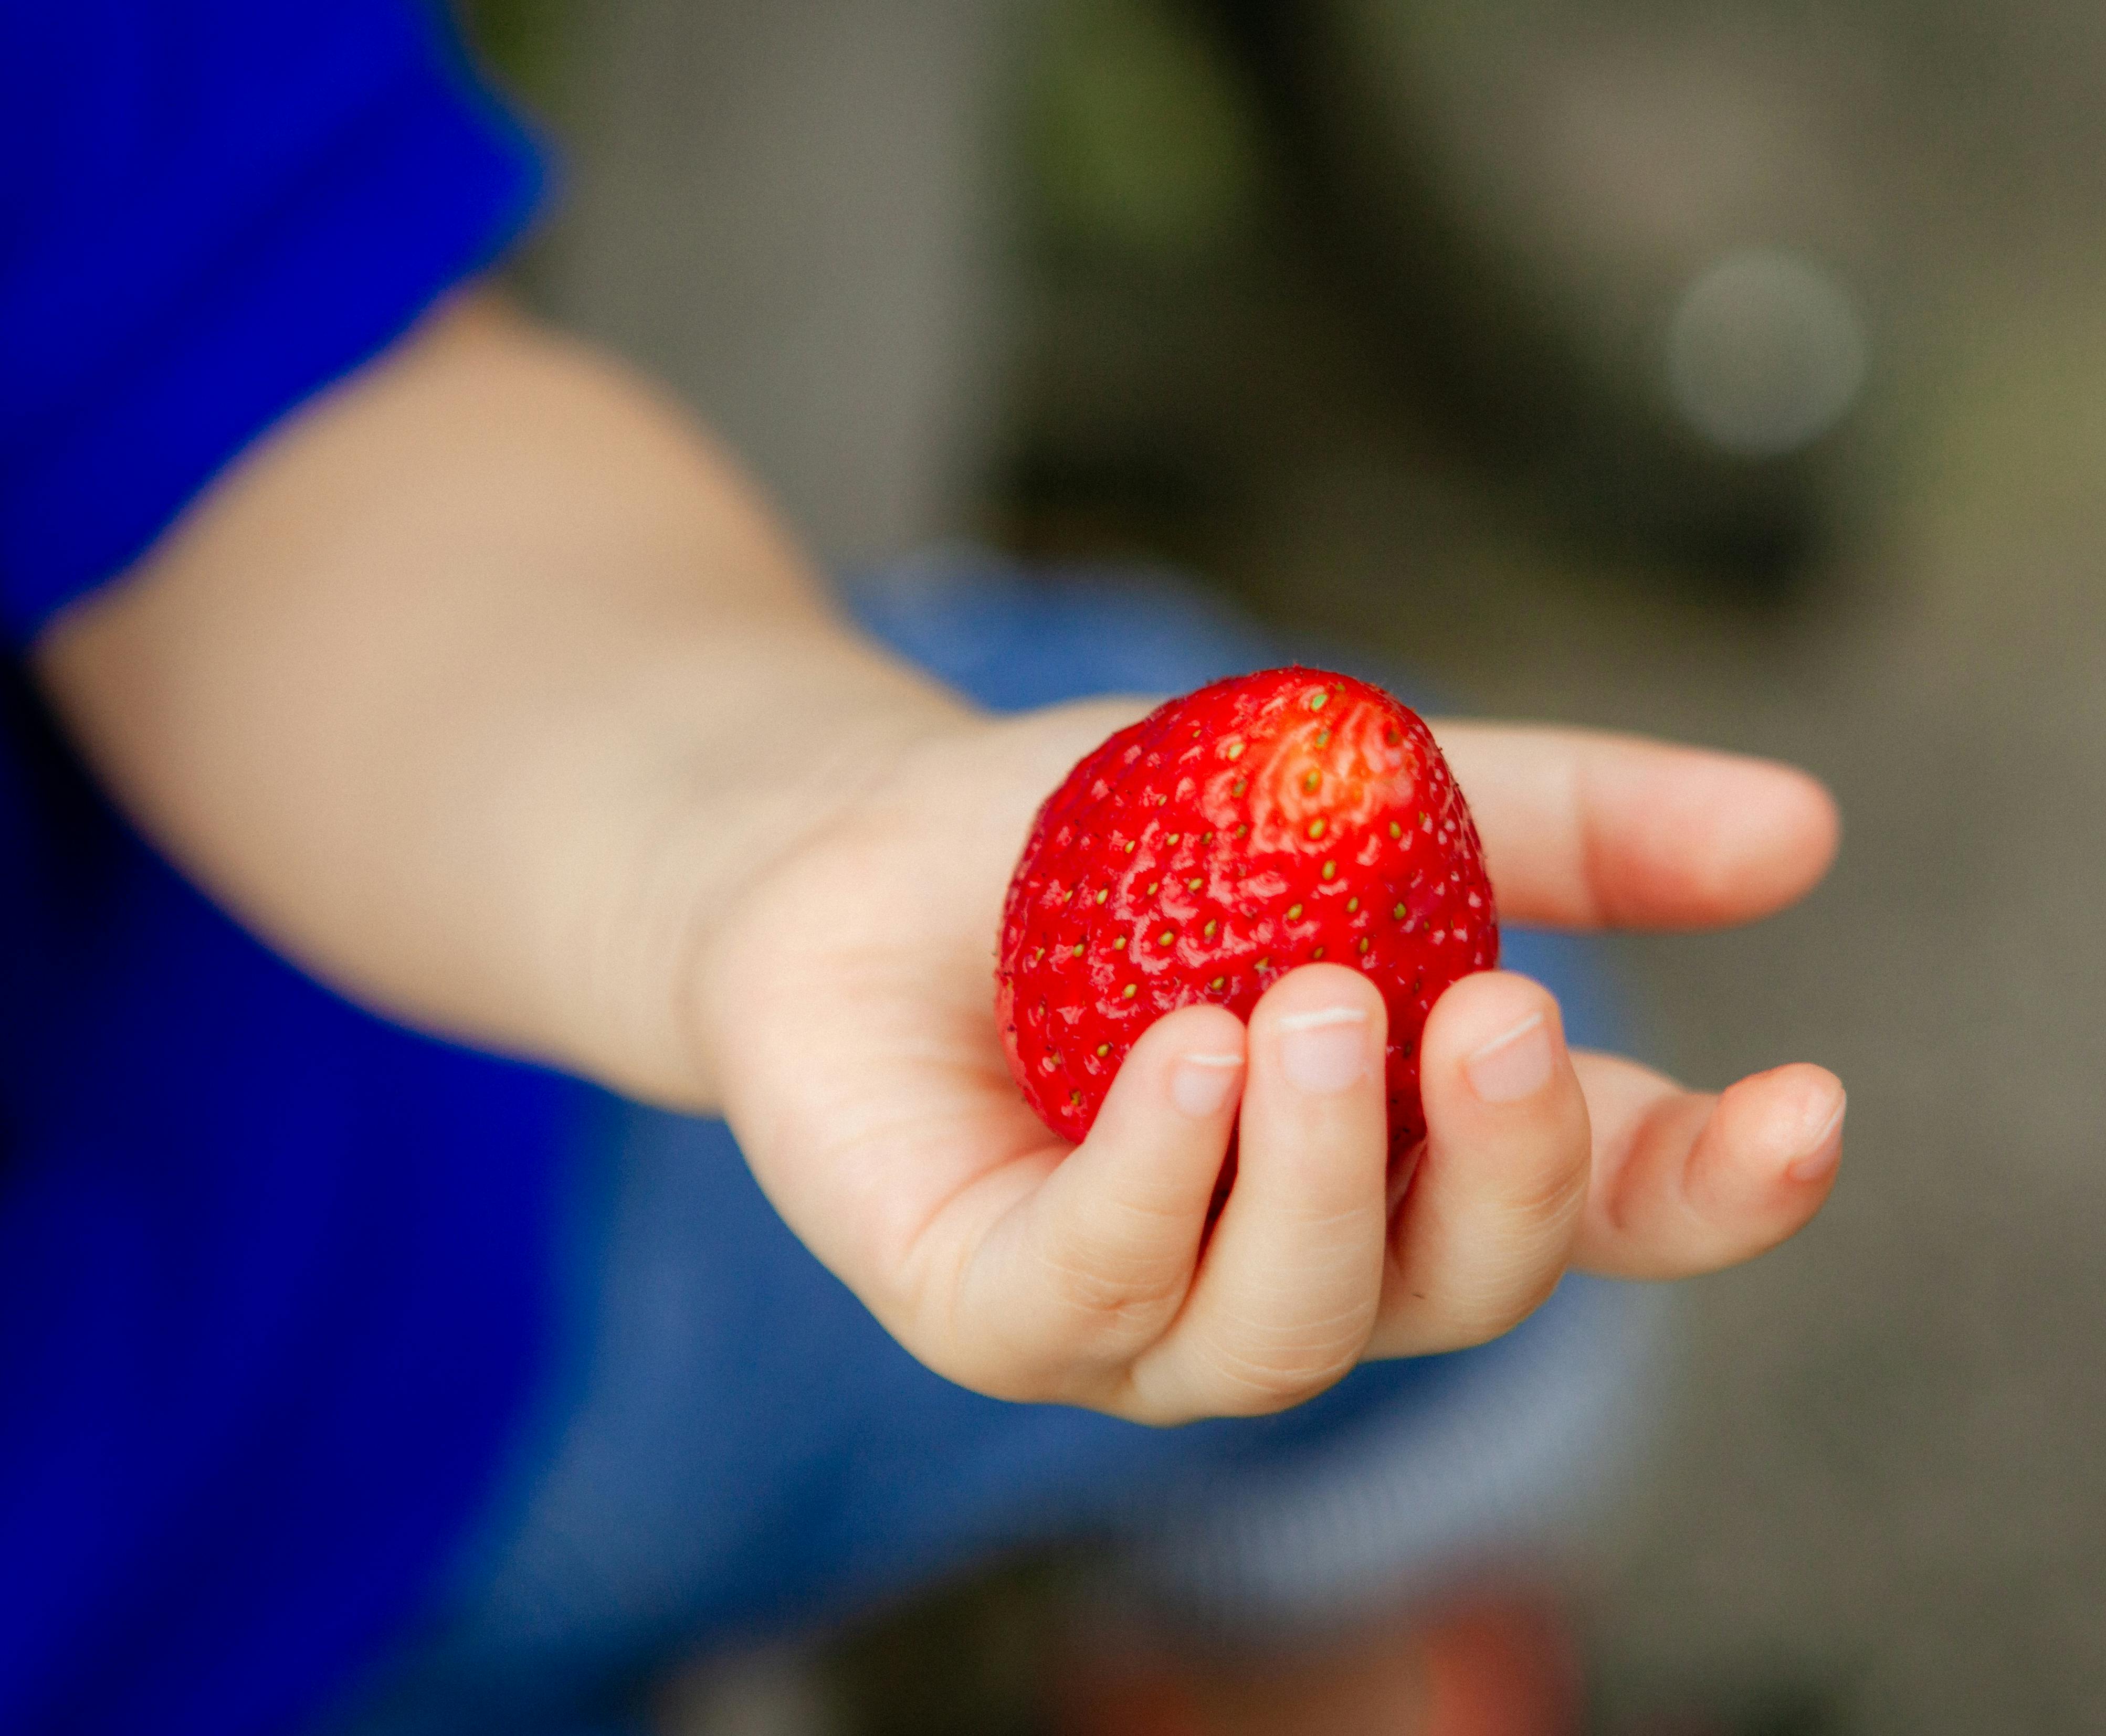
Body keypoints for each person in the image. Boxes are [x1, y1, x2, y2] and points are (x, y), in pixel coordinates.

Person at [0, 3, 1847, 1732]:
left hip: (312, 1257)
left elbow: (256, 390)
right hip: (311, 1411)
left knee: (1494, 1111)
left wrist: (754, 833)